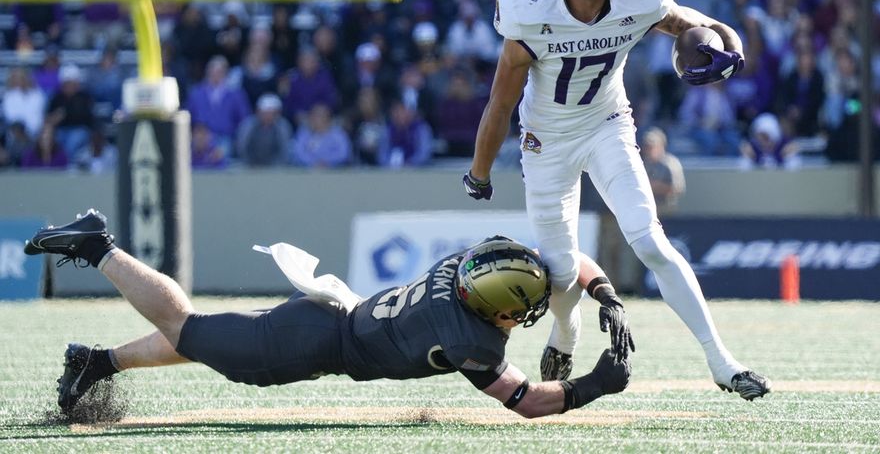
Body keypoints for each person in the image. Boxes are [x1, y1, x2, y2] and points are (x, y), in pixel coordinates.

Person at [462, 0, 769, 400]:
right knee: (559, 272)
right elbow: (500, 103)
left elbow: (695, 24)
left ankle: (721, 360)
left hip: (607, 123)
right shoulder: (528, 8)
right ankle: (566, 333)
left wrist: (728, 45)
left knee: (649, 239)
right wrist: (480, 170)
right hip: (547, 139)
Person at [24, 210, 631, 418]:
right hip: (317, 342)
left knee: (208, 339)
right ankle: (98, 246)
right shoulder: (470, 339)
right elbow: (525, 400)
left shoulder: (466, 265)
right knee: (190, 330)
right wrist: (592, 387)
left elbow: (566, 260)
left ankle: (97, 362)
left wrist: (602, 291)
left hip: (331, 315)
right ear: (498, 309)